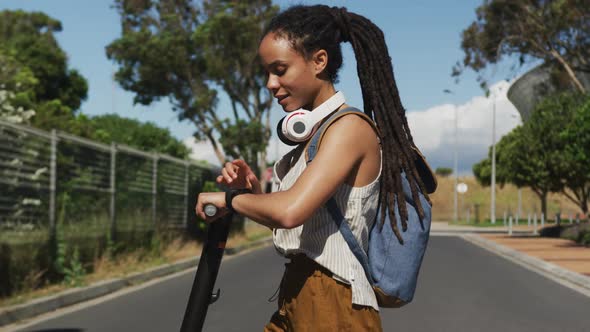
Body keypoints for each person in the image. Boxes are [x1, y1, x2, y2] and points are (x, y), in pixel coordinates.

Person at [195, 4, 432, 331]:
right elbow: (302, 229)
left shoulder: (349, 129)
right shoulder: (314, 136)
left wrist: (229, 201)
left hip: (333, 302)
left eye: (280, 70)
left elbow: (291, 211)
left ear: (319, 61)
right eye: (267, 72)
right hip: (299, 293)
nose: (270, 83)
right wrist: (252, 194)